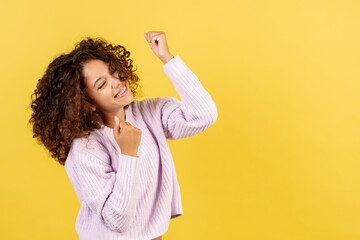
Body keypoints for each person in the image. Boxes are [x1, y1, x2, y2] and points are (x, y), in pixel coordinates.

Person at [29, 31, 218, 240]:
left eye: (113, 71)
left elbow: (204, 115)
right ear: (87, 103)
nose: (117, 81)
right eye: (101, 84)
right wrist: (128, 153)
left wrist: (167, 58)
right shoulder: (85, 148)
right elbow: (117, 221)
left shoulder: (150, 113)